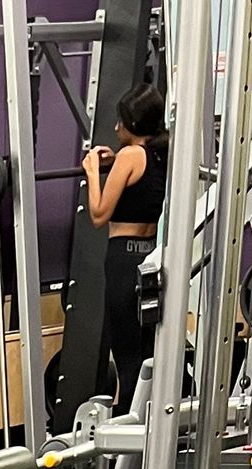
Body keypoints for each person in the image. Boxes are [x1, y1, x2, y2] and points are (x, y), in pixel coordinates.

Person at [83, 83, 168, 412]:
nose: (116, 127)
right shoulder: (160, 153)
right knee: (145, 348)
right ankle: (147, 419)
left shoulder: (130, 156)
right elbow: (138, 184)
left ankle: (131, 425)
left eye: (120, 121)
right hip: (149, 256)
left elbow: (99, 214)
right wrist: (113, 161)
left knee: (125, 350)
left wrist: (93, 172)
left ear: (132, 124)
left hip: (122, 261)